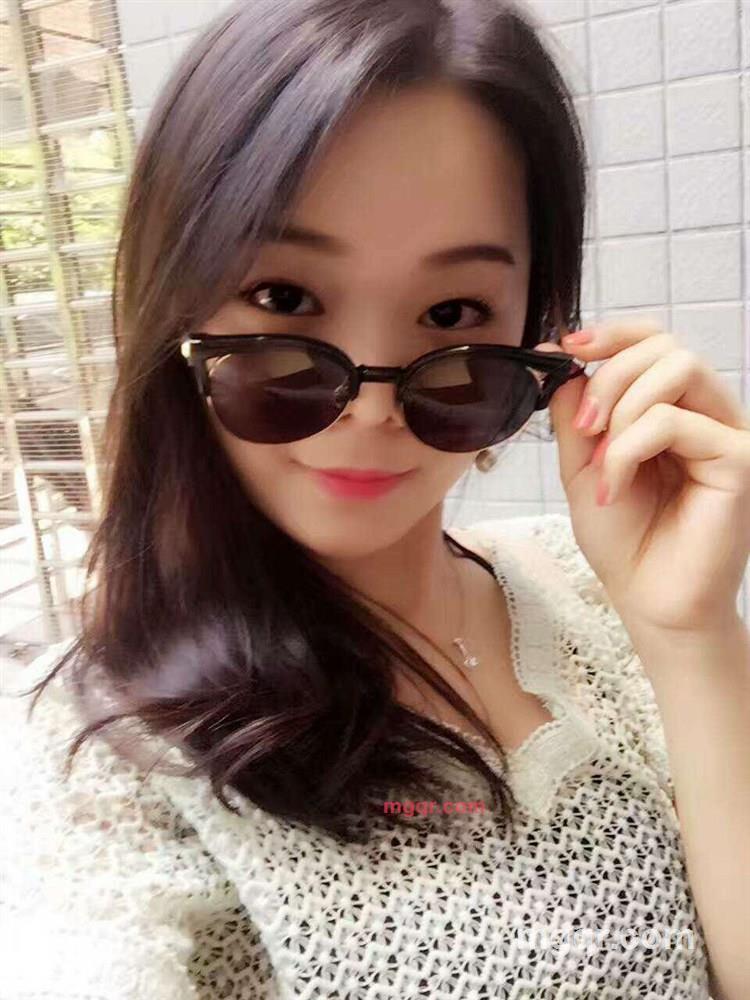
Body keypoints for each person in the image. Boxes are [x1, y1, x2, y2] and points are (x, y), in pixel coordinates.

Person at [2, 1, 749, 998]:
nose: (369, 409)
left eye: (452, 312)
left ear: (538, 330)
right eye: (285, 299)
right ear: (174, 302)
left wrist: (692, 637)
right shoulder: (100, 751)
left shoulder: (595, 588)